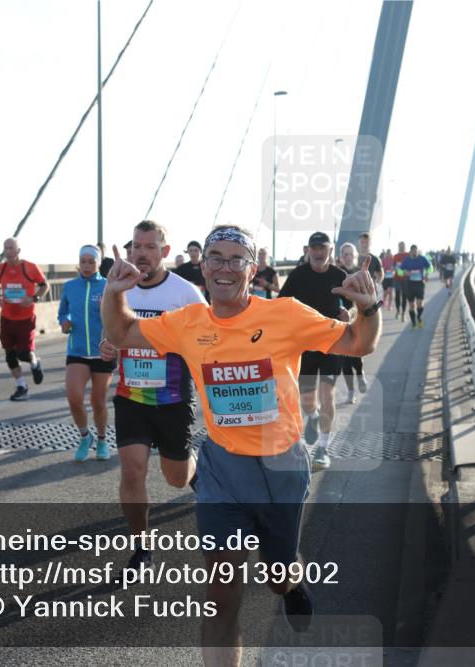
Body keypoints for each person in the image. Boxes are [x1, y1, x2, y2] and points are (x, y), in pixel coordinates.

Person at [101, 224, 381, 667]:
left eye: (236, 259)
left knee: (276, 573)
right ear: (203, 266)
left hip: (282, 467)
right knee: (221, 592)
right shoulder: (186, 323)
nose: (225, 267)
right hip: (223, 470)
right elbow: (123, 333)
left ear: (253, 269)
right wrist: (113, 292)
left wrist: (369, 308)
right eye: (215, 257)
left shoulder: (285, 314)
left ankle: (291, 582)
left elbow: (359, 342)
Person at [99, 221, 205, 571]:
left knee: (175, 478)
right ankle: (142, 548)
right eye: (136, 247)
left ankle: (194, 473)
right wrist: (108, 345)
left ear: (163, 250)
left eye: (148, 247)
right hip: (131, 397)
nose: (140, 254)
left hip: (173, 399)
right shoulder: (119, 288)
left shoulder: (186, 293)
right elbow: (112, 332)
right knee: (132, 470)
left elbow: (209, 338)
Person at [278, 232, 349, 471]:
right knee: (307, 399)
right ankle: (313, 416)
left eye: (323, 247)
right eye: (314, 248)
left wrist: (351, 316)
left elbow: (354, 306)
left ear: (331, 250)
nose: (318, 252)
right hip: (304, 345)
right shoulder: (298, 275)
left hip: (332, 342)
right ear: (308, 250)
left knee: (327, 393)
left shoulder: (340, 276)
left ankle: (323, 449)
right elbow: (281, 305)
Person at [58, 245, 117, 462]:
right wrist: (65, 322)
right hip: (77, 351)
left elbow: (119, 316)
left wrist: (106, 308)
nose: (86, 265)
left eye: (91, 261)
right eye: (83, 261)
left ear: (99, 263)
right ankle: (85, 436)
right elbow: (64, 312)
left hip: (103, 351)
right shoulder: (70, 286)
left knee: (98, 402)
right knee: (74, 398)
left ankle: (102, 439)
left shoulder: (108, 287)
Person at [0, 238, 48, 401]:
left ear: (18, 250)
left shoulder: (30, 267)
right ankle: (22, 386)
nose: (8, 251)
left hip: (25, 317)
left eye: (11, 248)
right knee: (9, 355)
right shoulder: (0, 269)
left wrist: (33, 298)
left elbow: (44, 286)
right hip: (7, 317)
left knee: (23, 353)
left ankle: (35, 362)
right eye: (5, 248)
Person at [335, 243, 368, 404]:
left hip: (356, 318)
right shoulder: (335, 274)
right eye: (344, 254)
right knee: (344, 359)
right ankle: (351, 391)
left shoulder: (360, 274)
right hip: (340, 319)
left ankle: (360, 376)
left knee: (356, 353)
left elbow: (365, 298)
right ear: (341, 256)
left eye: (350, 254)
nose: (347, 256)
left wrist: (353, 313)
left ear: (355, 256)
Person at [398, 244, 432, 329]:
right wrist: (404, 273)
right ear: (410, 251)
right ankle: (413, 323)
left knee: (419, 303)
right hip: (410, 284)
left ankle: (419, 317)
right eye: (413, 251)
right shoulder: (406, 260)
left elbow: (430, 267)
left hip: (420, 283)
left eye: (416, 251)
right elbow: (399, 271)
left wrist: (427, 274)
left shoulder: (422, 259)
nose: (415, 253)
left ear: (417, 251)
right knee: (412, 305)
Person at [392, 242, 410, 320]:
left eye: (403, 246)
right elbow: (393, 266)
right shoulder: (395, 256)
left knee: (404, 296)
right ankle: (398, 310)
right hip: (397, 278)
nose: (401, 247)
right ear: (398, 246)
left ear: (405, 246)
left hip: (405, 279)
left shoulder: (408, 255)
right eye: (400, 246)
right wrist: (394, 268)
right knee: (397, 296)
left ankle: (403, 313)